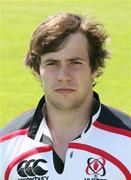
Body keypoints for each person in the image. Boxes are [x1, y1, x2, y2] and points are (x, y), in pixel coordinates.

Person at [0, 12, 131, 180]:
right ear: (37, 70)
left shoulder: (127, 142)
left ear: (95, 68)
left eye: (75, 62)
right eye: (52, 63)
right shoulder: (5, 146)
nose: (63, 75)